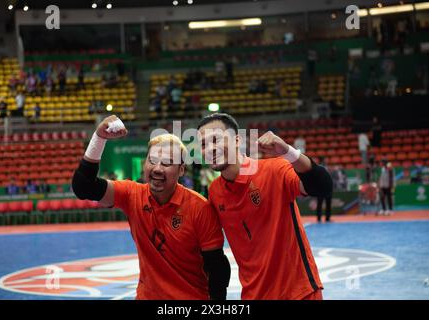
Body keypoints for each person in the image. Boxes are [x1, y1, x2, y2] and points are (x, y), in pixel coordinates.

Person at [71, 115, 230, 300]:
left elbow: (217, 269)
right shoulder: (132, 195)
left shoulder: (200, 208)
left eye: (167, 163)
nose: (157, 168)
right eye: (152, 160)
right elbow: (83, 186)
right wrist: (99, 138)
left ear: (181, 170)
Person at [197, 113, 332, 300]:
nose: (210, 148)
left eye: (216, 140)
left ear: (237, 140)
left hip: (298, 293)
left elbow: (323, 187)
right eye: (203, 144)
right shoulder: (214, 192)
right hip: (253, 295)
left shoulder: (274, 170)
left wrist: (288, 151)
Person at [316, 157, 332, 223]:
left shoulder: (327, 168)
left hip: (328, 188)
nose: (327, 160)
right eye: (325, 159)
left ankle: (327, 218)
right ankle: (319, 218)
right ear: (322, 160)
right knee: (320, 203)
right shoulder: (319, 167)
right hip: (321, 188)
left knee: (328, 203)